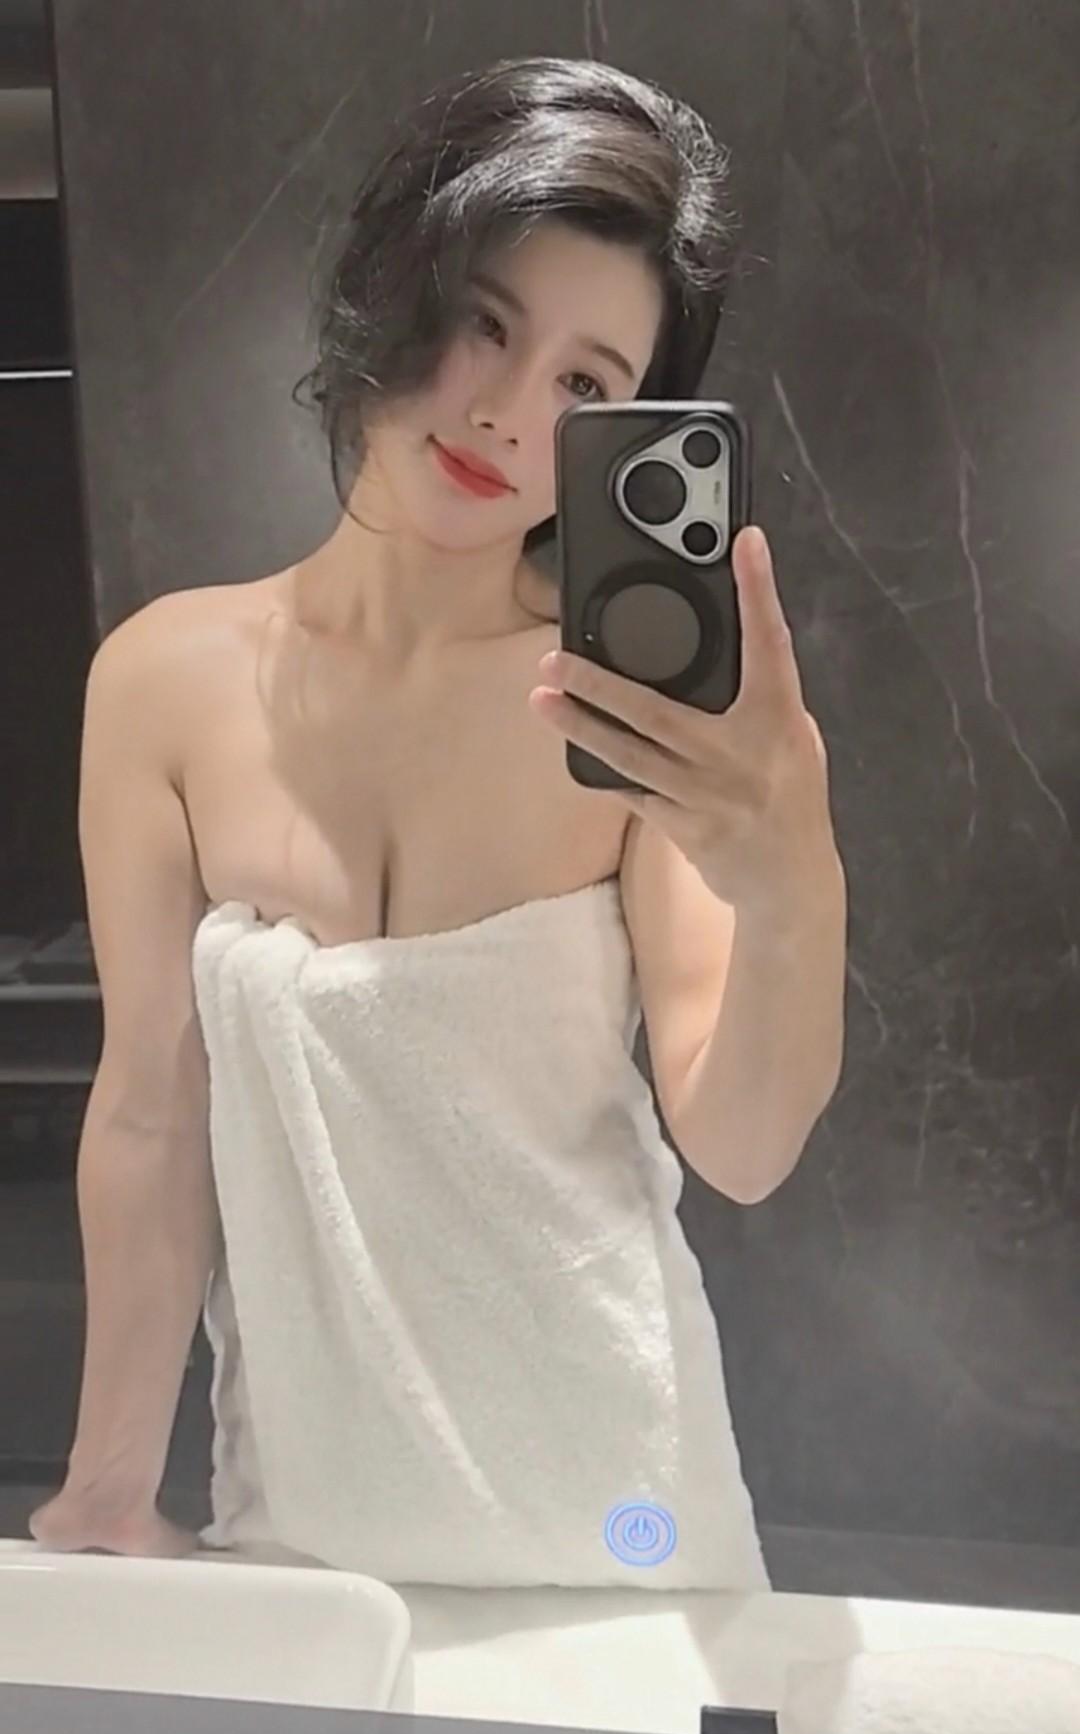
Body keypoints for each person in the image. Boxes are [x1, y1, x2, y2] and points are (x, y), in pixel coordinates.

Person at [30, 56, 846, 1583]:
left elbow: (740, 1145)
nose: (506, 414)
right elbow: (150, 1114)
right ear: (389, 283)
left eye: (586, 387)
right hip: (306, 1535)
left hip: (627, 1525)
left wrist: (796, 883)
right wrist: (109, 1484)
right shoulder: (164, 682)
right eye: (486, 321)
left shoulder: (623, 703)